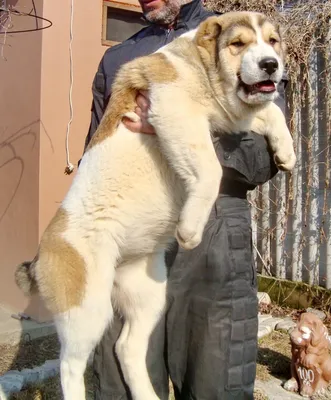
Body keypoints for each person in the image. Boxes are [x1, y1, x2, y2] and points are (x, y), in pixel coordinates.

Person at [83, 0, 286, 398]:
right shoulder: (119, 59)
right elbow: (95, 150)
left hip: (213, 231)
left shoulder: (241, 37)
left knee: (215, 379)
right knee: (122, 378)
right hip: (130, 230)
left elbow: (264, 158)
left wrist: (181, 132)